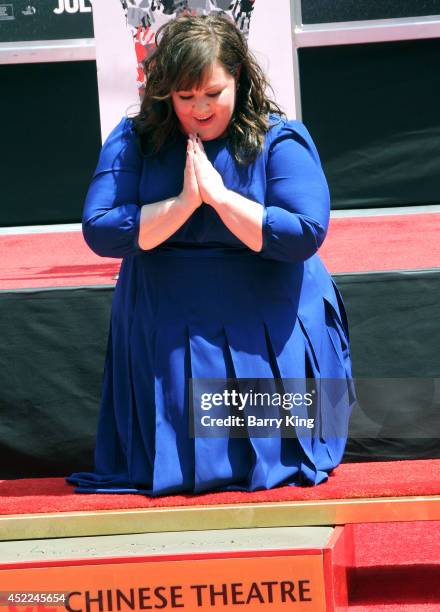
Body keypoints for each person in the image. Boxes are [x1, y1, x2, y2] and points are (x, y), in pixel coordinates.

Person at [66, 13, 354, 496]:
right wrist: (181, 205)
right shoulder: (134, 138)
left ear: (237, 77)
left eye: (213, 93)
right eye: (184, 97)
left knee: (273, 458)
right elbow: (100, 230)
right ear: (164, 93)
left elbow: (303, 232)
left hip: (267, 317)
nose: (200, 108)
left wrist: (220, 198)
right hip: (168, 319)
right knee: (172, 460)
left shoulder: (281, 137)